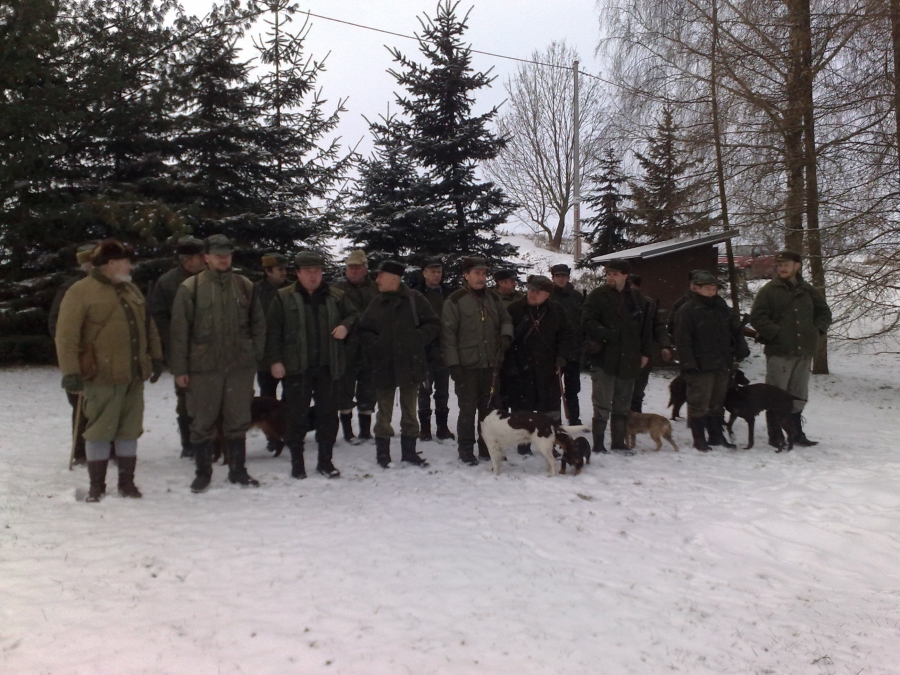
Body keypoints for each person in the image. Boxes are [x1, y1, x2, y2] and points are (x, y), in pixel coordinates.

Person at [55, 239, 164, 502]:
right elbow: (66, 336)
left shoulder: (131, 289)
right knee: (100, 431)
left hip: (133, 375)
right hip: (101, 376)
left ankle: (127, 483)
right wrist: (71, 372)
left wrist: (157, 356)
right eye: (127, 262)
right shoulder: (79, 292)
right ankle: (97, 486)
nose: (131, 267)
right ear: (111, 263)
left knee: (130, 429)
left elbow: (147, 325)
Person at [169, 234, 267, 492]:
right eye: (218, 255)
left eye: (227, 255)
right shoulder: (191, 288)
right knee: (202, 423)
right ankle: (203, 473)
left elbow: (258, 324)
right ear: (206, 257)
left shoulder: (244, 286)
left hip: (239, 367)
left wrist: (253, 354)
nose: (223, 259)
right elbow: (179, 332)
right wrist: (180, 369)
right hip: (204, 369)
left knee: (238, 421)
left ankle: (238, 470)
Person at [265, 251, 357, 479]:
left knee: (328, 416)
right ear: (298, 273)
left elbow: (354, 315)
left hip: (328, 366)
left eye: (317, 271)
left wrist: (345, 326)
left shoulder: (336, 296)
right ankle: (297, 463)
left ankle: (325, 462)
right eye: (308, 272)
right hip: (298, 368)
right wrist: (275, 361)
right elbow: (273, 332)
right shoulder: (283, 298)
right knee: (296, 416)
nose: (313, 276)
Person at [358, 260, 440, 468]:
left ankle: (409, 453)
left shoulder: (415, 299)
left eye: (381, 275)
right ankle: (382, 454)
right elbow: (364, 330)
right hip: (383, 365)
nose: (377, 280)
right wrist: (376, 343)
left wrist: (416, 338)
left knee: (410, 411)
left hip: (410, 364)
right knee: (383, 412)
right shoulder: (376, 302)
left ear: (393, 277)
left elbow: (433, 323)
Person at [750, 249, 832, 447]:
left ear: (797, 266)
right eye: (779, 265)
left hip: (803, 351)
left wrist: (815, 331)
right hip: (779, 352)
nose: (782, 268)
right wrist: (776, 333)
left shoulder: (808, 290)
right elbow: (757, 316)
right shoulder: (769, 290)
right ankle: (775, 435)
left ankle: (795, 433)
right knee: (776, 395)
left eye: (786, 265)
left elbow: (824, 312)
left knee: (798, 395)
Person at [441, 256, 513, 465]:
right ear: (466, 275)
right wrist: (454, 364)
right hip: (467, 366)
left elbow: (506, 319)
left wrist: (505, 336)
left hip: (491, 364)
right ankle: (465, 449)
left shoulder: (494, 299)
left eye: (484, 273)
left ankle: (486, 447)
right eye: (476, 273)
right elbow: (448, 335)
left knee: (489, 411)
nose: (481, 277)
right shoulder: (455, 300)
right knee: (467, 410)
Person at [581, 259, 652, 455]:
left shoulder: (638, 298)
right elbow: (587, 321)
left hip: (629, 358)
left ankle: (619, 442)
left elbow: (646, 329)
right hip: (605, 357)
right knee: (602, 403)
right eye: (608, 274)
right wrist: (607, 335)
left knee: (622, 404)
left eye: (615, 274)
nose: (610, 277)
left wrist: (645, 353)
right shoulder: (597, 296)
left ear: (625, 275)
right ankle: (598, 443)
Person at [673, 270, 749, 451]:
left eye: (714, 288)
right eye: (708, 288)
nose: (712, 291)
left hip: (722, 362)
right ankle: (699, 438)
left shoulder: (721, 307)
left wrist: (740, 348)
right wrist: (689, 364)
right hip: (700, 364)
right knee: (699, 402)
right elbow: (683, 341)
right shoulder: (687, 310)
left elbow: (734, 330)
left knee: (717, 402)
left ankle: (716, 435)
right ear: (696, 288)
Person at [148, 236, 206, 458]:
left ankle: (209, 439)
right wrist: (173, 338)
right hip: (182, 349)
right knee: (185, 396)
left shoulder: (210, 278)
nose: (205, 259)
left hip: (209, 348)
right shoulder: (168, 282)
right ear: (188, 260)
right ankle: (188, 443)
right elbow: (158, 315)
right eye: (200, 256)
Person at [503, 275, 574, 454]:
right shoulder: (514, 309)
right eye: (530, 290)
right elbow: (505, 339)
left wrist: (562, 356)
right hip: (521, 368)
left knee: (550, 409)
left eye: (537, 292)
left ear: (547, 294)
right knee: (522, 409)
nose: (532, 294)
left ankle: (551, 443)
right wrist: (510, 363)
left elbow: (567, 335)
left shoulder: (556, 310)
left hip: (548, 368)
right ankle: (523, 445)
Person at [48, 242, 97, 466]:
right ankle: (81, 451)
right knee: (81, 406)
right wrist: (72, 351)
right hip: (80, 358)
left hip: (104, 357)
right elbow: (56, 325)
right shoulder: (71, 288)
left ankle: (106, 447)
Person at [332, 249, 378, 444]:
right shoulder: (336, 290)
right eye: (350, 267)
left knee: (368, 390)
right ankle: (348, 431)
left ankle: (366, 431)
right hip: (345, 348)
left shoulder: (376, 289)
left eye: (357, 268)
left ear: (365, 269)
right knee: (344, 390)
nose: (353, 271)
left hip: (370, 348)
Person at [409, 256, 455, 441]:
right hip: (423, 348)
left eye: (439, 272)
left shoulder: (449, 294)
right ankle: (425, 429)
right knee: (424, 390)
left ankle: (442, 428)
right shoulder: (415, 295)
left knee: (443, 391)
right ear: (424, 273)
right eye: (433, 271)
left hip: (444, 347)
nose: (436, 275)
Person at [628, 273, 673, 413]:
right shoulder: (617, 302)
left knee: (638, 389)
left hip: (643, 351)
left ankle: (635, 415)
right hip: (622, 351)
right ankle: (621, 418)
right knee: (622, 390)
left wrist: (665, 345)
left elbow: (659, 327)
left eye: (632, 285)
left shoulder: (648, 304)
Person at [549, 263, 585, 425]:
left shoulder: (577, 297)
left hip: (574, 351)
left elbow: (583, 321)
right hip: (554, 351)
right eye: (557, 276)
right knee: (553, 389)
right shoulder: (548, 296)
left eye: (563, 276)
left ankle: (574, 418)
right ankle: (554, 421)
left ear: (568, 277)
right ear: (553, 278)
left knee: (572, 388)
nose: (561, 279)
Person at [254, 252, 290, 402]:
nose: (284, 273)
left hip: (289, 353)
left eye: (285, 269)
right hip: (264, 357)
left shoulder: (292, 289)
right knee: (267, 400)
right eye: (280, 269)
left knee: (290, 399)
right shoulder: (255, 291)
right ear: (268, 271)